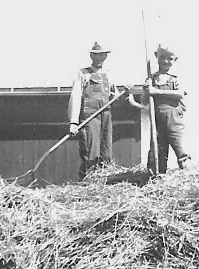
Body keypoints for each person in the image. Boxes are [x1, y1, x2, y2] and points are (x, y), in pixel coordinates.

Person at [67, 42, 132, 180]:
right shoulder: (83, 74)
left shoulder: (109, 75)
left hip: (106, 115)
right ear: (91, 56)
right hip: (90, 117)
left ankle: (105, 184)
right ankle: (88, 184)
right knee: (91, 153)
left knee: (106, 152)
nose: (101, 58)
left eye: (103, 55)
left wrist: (125, 94)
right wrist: (73, 122)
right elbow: (76, 98)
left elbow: (115, 99)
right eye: (97, 55)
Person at [129, 44, 191, 174]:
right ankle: (155, 179)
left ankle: (189, 177)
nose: (165, 61)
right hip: (157, 120)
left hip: (174, 119)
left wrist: (155, 91)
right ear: (156, 56)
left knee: (181, 150)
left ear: (175, 60)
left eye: (170, 58)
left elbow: (179, 94)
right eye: (162, 57)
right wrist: (146, 91)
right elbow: (144, 101)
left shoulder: (176, 77)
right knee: (157, 151)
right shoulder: (151, 79)